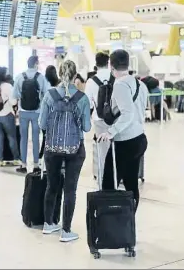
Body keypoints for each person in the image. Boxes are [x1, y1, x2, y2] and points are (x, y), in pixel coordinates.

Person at [39, 60, 91, 242]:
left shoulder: (49, 95)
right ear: (75, 75)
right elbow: (86, 127)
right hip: (75, 149)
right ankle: (66, 231)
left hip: (52, 147)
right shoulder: (82, 98)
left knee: (52, 186)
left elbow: (42, 123)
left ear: (60, 74)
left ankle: (48, 224)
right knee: (70, 189)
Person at [97, 49, 148, 212]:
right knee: (131, 182)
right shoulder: (140, 84)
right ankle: (128, 220)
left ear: (111, 65)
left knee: (109, 184)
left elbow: (127, 114)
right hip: (139, 138)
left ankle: (111, 223)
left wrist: (111, 132)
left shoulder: (120, 85)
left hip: (125, 141)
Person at [13, 56, 49, 174]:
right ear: (36, 64)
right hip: (36, 112)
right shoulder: (41, 77)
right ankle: (36, 165)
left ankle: (23, 164)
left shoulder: (19, 77)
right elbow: (46, 94)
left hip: (23, 112)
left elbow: (15, 95)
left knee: (23, 138)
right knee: (35, 138)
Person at [84, 52, 112, 172]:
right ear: (108, 63)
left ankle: (103, 178)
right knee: (115, 148)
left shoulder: (91, 81)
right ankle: (116, 175)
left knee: (102, 150)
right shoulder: (115, 78)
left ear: (96, 64)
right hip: (115, 119)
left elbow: (88, 103)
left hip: (99, 120)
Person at [0, 67, 20, 167]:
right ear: (3, 75)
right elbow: (13, 101)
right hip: (6, 115)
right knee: (11, 137)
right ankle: (16, 158)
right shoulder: (7, 86)